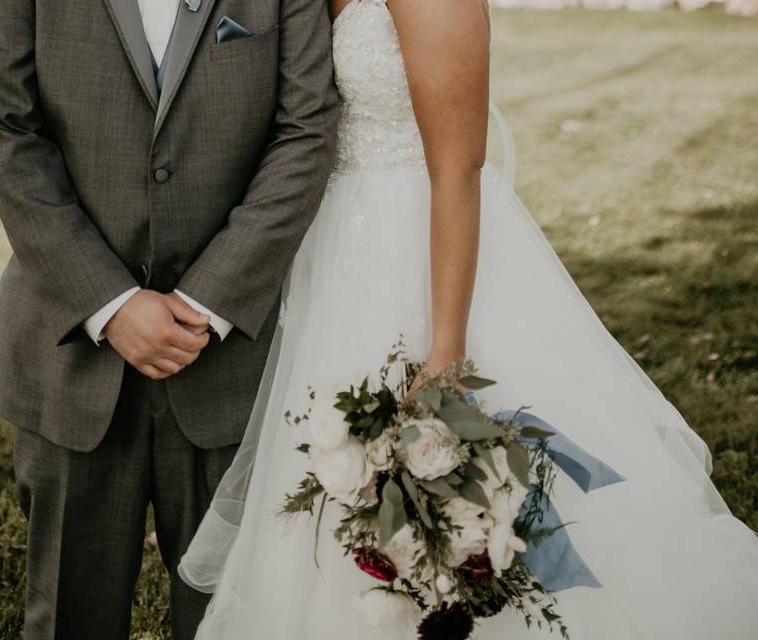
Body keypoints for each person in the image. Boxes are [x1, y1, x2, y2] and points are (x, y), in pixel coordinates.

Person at [180, 0, 758, 638]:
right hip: (336, 258)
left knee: (457, 491)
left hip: (419, 256)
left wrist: (446, 350)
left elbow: (458, 169)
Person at [0, 0, 338, 637]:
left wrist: (208, 298)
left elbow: (307, 131)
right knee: (68, 613)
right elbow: (6, 125)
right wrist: (108, 304)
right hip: (71, 354)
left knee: (230, 616)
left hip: (230, 364)